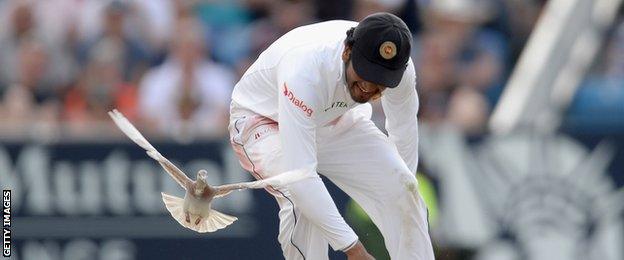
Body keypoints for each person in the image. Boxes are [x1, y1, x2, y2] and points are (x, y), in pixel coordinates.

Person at [228, 13, 434, 260]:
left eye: (381, 81)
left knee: (405, 187)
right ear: (347, 51)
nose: (369, 87)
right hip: (265, 120)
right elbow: (300, 177)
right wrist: (353, 249)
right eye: (366, 72)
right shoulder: (304, 69)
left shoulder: (402, 69)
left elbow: (403, 130)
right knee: (302, 203)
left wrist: (403, 199)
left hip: (332, 117)